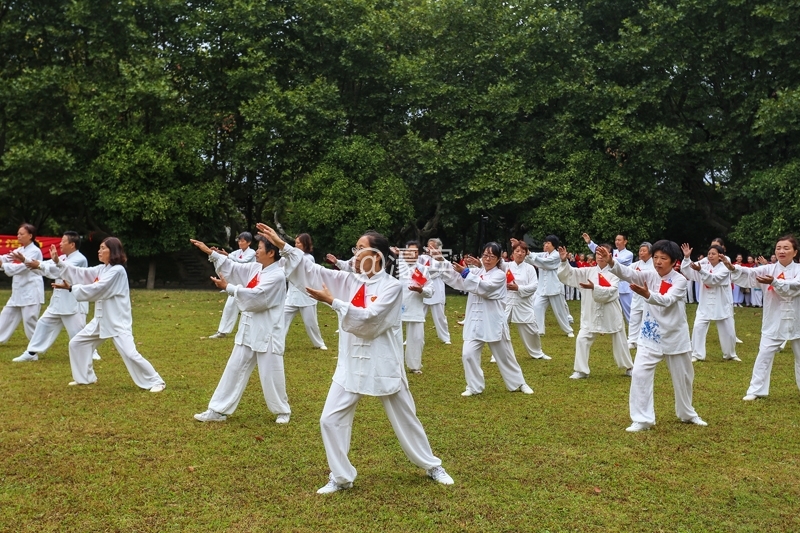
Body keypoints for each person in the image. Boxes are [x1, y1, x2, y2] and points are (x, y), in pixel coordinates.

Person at [258, 223, 453, 493]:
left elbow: (372, 322)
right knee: (329, 419)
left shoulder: (392, 288)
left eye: (361, 248)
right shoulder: (350, 280)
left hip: (384, 363)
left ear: (378, 255)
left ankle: (432, 465)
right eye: (356, 249)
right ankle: (340, 476)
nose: (356, 254)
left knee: (407, 418)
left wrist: (333, 302)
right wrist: (284, 247)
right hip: (350, 363)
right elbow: (313, 272)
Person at [597, 241, 707, 432]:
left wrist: (648, 294)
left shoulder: (680, 281)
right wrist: (611, 263)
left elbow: (667, 300)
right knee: (639, 374)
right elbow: (630, 274)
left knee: (684, 378)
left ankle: (687, 414)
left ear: (674, 262)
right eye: (655, 257)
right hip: (650, 337)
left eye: (663, 258)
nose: (658, 262)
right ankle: (642, 419)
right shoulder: (648, 275)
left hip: (675, 337)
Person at [191, 235, 291, 424]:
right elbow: (234, 268)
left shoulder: (277, 276)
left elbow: (257, 298)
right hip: (248, 330)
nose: (257, 251)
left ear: (271, 253)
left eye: (260, 248)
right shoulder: (256, 268)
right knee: (234, 369)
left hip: (268, 332)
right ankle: (217, 410)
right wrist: (210, 252)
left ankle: (282, 411)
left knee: (271, 374)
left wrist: (228, 287)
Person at [52, 237, 166, 391]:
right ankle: (85, 378)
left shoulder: (117, 271)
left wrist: (73, 288)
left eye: (103, 248)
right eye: (99, 248)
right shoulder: (102, 268)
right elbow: (82, 273)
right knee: (77, 343)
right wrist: (59, 262)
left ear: (113, 251)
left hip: (117, 320)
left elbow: (100, 288)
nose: (99, 251)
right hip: (100, 319)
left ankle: (156, 381)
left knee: (130, 353)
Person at [440, 242, 534, 397]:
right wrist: (441, 261)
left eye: (492, 256)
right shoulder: (476, 272)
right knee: (468, 354)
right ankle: (474, 386)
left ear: (498, 259)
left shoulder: (499, 275)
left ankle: (519, 383)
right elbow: (457, 279)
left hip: (493, 321)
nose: (488, 259)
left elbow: (485, 288)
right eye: (485, 255)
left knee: (505, 356)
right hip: (475, 321)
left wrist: (466, 273)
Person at [724, 235, 800, 401]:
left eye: (786, 248)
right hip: (773, 319)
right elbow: (750, 274)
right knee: (764, 354)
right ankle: (756, 389)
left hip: (797, 320)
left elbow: (795, 287)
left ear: (795, 252)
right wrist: (733, 269)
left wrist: (775, 282)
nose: (781, 251)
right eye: (778, 247)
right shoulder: (768, 269)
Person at [12, 231, 100, 362]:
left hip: (73, 302)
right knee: (43, 324)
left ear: (72, 244)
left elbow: (61, 271)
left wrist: (40, 265)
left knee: (78, 332)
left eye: (63, 241)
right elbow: (48, 266)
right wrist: (26, 260)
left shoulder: (80, 259)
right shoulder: (63, 257)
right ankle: (31, 352)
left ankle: (92, 351)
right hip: (57, 302)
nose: (60, 244)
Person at [557, 244, 633, 379]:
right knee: (582, 338)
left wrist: (594, 287)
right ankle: (581, 370)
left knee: (620, 340)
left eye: (603, 254)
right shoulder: (587, 271)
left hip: (611, 312)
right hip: (591, 312)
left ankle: (629, 367)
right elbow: (569, 274)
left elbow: (612, 291)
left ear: (610, 256)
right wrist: (564, 261)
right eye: (598, 253)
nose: (600, 256)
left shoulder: (615, 272)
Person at [680, 243, 739, 363]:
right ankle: (697, 354)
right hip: (705, 302)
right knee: (698, 327)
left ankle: (730, 354)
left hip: (721, 303)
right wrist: (686, 258)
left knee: (728, 331)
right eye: (709, 254)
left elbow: (714, 280)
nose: (710, 256)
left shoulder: (725, 267)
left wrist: (701, 271)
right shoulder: (704, 265)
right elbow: (687, 271)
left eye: (714, 254)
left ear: (720, 256)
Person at [512, 235, 574, 337]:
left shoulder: (557, 255)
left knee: (560, 311)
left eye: (548, 243)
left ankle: (568, 330)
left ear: (554, 245)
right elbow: (530, 258)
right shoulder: (544, 254)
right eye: (545, 243)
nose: (546, 245)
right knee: (537, 306)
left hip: (554, 288)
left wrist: (528, 254)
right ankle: (539, 330)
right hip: (542, 289)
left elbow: (545, 263)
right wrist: (519, 248)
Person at [504, 241, 550, 361]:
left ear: (525, 254)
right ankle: (498, 354)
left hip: (523, 302)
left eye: (522, 252)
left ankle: (537, 353)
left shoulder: (530, 268)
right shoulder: (506, 266)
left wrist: (518, 288)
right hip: (506, 302)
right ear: (512, 253)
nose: (519, 254)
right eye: (517, 251)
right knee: (500, 328)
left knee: (532, 329)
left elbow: (534, 286)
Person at [0, 224, 44, 344]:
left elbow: (23, 268)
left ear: (30, 236)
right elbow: (5, 258)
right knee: (6, 315)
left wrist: (3, 266)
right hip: (18, 291)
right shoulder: (20, 250)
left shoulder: (35, 251)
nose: (18, 236)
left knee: (30, 321)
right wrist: (2, 261)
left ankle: (36, 347)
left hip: (31, 291)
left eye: (21, 234)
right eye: (18, 233)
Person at [283, 233, 328, 350]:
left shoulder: (309, 258)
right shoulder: (292, 257)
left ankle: (319, 343)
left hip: (306, 295)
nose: (296, 245)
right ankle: (278, 342)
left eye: (298, 243)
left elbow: (297, 264)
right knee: (282, 319)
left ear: (305, 244)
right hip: (292, 295)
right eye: (295, 243)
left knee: (310, 323)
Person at [208, 232, 256, 339]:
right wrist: (217, 253)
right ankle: (222, 332)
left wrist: (227, 255)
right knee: (229, 307)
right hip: (237, 284)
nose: (240, 243)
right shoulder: (238, 251)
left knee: (251, 310)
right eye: (239, 240)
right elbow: (227, 258)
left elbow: (242, 261)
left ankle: (253, 333)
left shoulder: (252, 252)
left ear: (249, 242)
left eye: (242, 241)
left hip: (249, 285)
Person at [396, 241, 433, 374]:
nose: (413, 255)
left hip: (416, 307)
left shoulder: (423, 269)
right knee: (394, 338)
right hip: (396, 308)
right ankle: (396, 365)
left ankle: (414, 366)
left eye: (416, 252)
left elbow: (430, 290)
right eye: (410, 252)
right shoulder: (395, 267)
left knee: (417, 338)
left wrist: (421, 290)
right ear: (404, 253)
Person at [583, 233, 634, 321]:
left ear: (625, 241)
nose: (617, 242)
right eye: (616, 240)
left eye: (619, 240)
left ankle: (633, 331)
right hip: (612, 284)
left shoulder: (629, 254)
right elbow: (599, 250)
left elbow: (615, 261)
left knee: (628, 311)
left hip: (623, 286)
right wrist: (590, 243)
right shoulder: (613, 252)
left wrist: (606, 255)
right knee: (610, 308)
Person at [421, 238, 451, 345]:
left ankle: (445, 337)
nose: (429, 249)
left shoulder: (441, 259)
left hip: (437, 288)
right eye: (428, 246)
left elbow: (438, 273)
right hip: (424, 288)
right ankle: (416, 337)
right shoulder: (423, 257)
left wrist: (426, 271)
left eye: (432, 247)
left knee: (439, 316)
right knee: (419, 315)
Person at [627, 242, 654, 350]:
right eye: (640, 251)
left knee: (647, 318)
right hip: (637, 296)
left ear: (650, 253)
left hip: (649, 295)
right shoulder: (636, 265)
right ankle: (632, 340)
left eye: (644, 251)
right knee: (634, 318)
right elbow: (626, 272)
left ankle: (644, 340)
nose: (641, 253)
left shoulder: (654, 264)